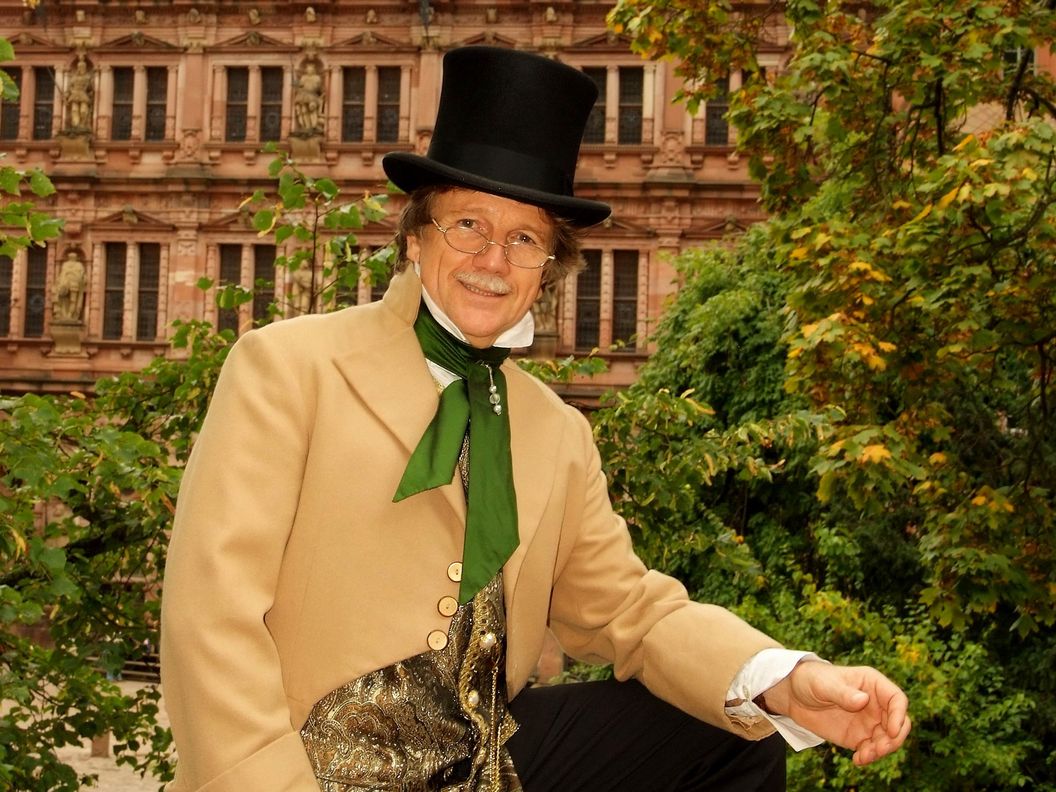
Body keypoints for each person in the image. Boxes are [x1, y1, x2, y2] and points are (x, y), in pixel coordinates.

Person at [160, 46, 909, 792]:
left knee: (733, 738)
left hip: (483, 768)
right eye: (469, 226)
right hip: (320, 769)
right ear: (416, 237)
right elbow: (211, 619)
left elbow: (629, 611)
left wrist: (784, 680)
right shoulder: (288, 369)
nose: (494, 259)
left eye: (525, 239)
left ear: (550, 268)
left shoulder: (556, 431)